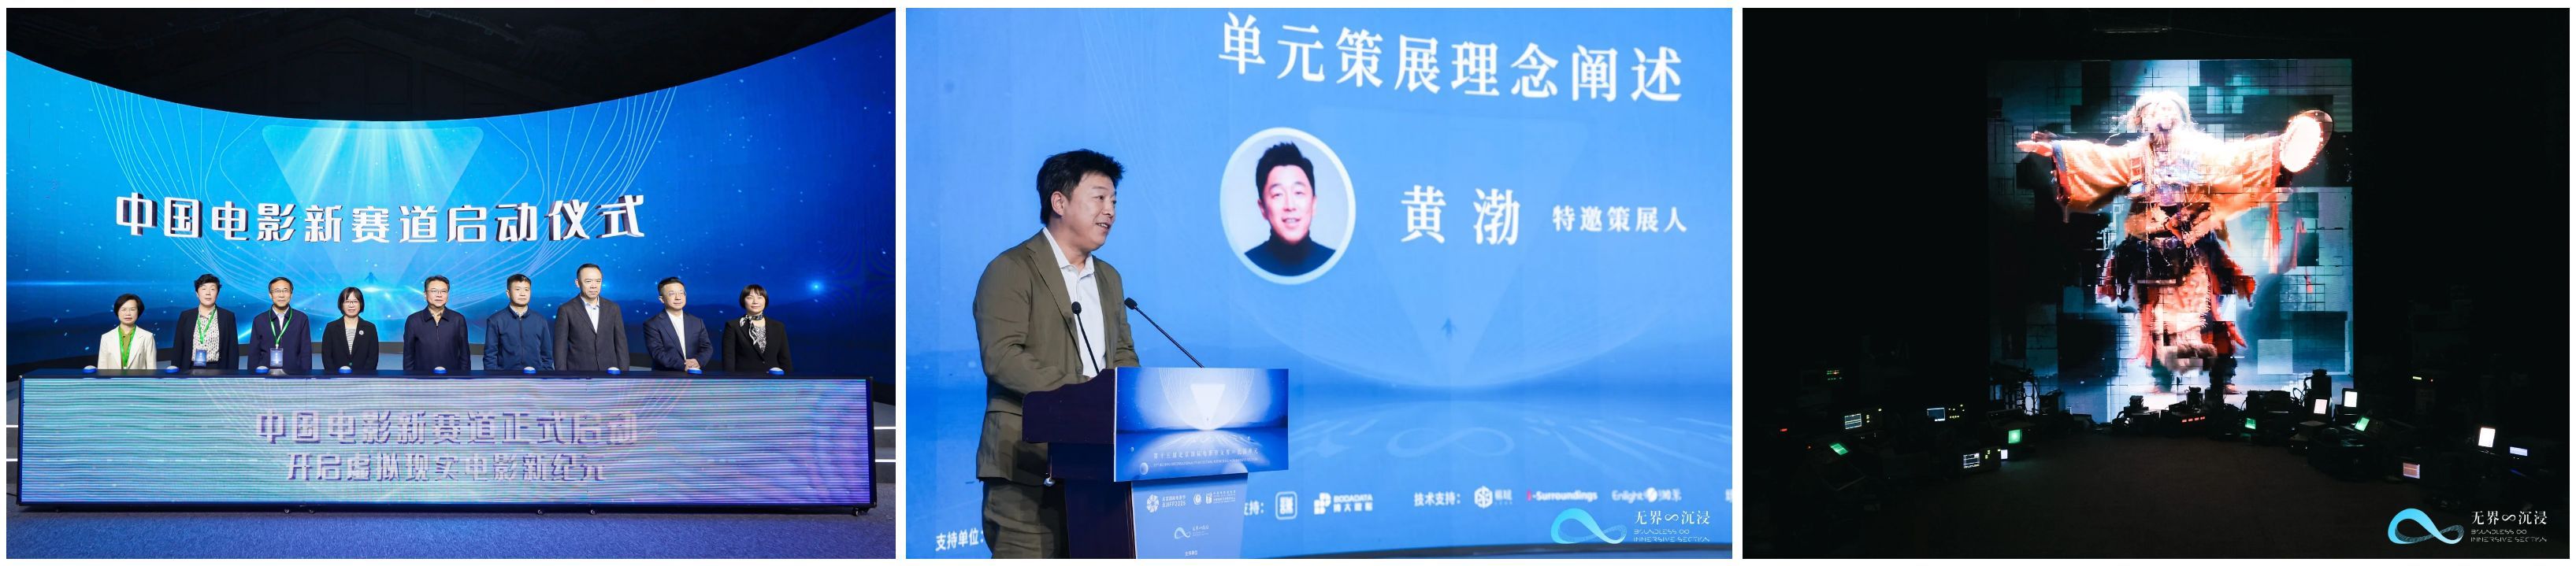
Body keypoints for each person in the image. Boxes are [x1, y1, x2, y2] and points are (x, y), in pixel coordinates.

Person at [2017, 91, 2329, 379]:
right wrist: (2057, 149)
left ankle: (2220, 379)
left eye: (2169, 109)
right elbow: (2100, 159)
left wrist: (2278, 148)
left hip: (2195, 246)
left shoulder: (2202, 150)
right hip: (2148, 249)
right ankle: (2161, 379)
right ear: (2143, 119)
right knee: (2155, 317)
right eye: (2155, 110)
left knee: (2207, 313)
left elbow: (2236, 159)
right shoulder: (2134, 155)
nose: (2163, 115)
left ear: (2180, 116)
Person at [972, 149, 1142, 558]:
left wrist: (1130, 399)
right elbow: (1002, 356)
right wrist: (1086, 396)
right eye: (1099, 197)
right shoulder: (1012, 268)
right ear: (1059, 202)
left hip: (1099, 471)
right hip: (1028, 470)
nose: (1110, 210)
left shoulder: (1109, 278)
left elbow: (1123, 353)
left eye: (1114, 200)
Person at [1242, 142, 1335, 277]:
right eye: (1278, 194)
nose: (1290, 206)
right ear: (1263, 208)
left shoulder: (1335, 263)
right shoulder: (1245, 266)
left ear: (1313, 203)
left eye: (1298, 192)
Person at [554, 263, 631, 372]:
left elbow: (621, 345)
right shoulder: (566, 310)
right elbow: (560, 349)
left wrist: (624, 374)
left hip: (609, 373)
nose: (594, 286)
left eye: (598, 281)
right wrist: (562, 377)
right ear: (578, 283)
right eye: (588, 281)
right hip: (578, 374)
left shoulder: (613, 308)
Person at [484, 273, 555, 371]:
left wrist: (545, 375)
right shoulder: (495, 320)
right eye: (517, 289)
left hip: (535, 376)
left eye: (526, 289)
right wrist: (493, 377)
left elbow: (547, 355)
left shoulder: (540, 320)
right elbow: (490, 356)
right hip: (505, 377)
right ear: (508, 293)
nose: (523, 294)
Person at [642, 276, 713, 372]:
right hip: (665, 376)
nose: (678, 297)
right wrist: (684, 366)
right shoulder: (652, 324)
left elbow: (707, 348)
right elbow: (657, 352)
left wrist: (698, 361)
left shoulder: (697, 322)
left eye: (681, 293)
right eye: (672, 294)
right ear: (662, 299)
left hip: (694, 374)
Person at [403, 275, 470, 372]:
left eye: (444, 291)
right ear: (425, 294)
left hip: (452, 377)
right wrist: (410, 377)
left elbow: (465, 355)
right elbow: (408, 356)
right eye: (434, 291)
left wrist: (464, 377)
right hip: (421, 377)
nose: (439, 295)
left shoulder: (458, 319)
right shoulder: (413, 320)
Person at [247, 277, 314, 372]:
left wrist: (306, 375)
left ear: (291, 294)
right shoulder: (259, 320)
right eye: (277, 291)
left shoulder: (301, 318)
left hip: (294, 374)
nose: (281, 295)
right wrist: (252, 376)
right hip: (266, 374)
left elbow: (306, 352)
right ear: (270, 295)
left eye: (285, 291)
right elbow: (254, 353)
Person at [723, 283, 793, 372]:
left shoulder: (778, 326)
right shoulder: (733, 326)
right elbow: (728, 360)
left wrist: (787, 379)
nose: (755, 302)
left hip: (774, 379)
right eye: (750, 298)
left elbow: (785, 359)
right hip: (744, 379)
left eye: (760, 297)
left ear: (765, 301)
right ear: (743, 301)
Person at [173, 273, 239, 368]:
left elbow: (233, 350)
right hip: (190, 368)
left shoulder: (228, 316)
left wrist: (233, 374)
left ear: (217, 293)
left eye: (212, 289)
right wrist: (175, 368)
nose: (208, 293)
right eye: (203, 289)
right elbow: (178, 347)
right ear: (197, 293)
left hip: (218, 368)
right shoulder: (186, 316)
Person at [321, 287, 380, 370]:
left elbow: (373, 358)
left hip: (363, 376)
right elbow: (327, 357)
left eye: (355, 301)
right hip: (336, 376)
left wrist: (364, 375)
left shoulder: (370, 328)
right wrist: (334, 375)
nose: (351, 305)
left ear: (361, 304)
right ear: (341, 304)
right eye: (347, 301)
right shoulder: (331, 327)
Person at [96, 294, 157, 370]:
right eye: (124, 309)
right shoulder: (106, 338)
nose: (128, 313)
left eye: (132, 309)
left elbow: (152, 369)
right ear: (117, 311)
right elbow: (102, 369)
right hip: (113, 378)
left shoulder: (148, 337)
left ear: (138, 312)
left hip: (139, 378)